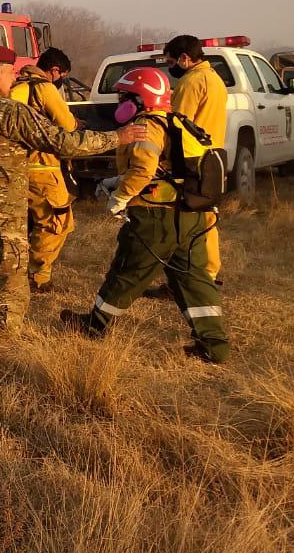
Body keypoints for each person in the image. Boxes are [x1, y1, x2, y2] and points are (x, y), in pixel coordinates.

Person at [0, 45, 144, 334]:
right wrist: (116, 138)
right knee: (8, 281)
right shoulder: (11, 112)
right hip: (1, 213)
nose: (13, 80)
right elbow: (63, 143)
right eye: (10, 74)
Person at [61, 67, 230, 363]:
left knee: (128, 271)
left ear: (139, 99)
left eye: (124, 97)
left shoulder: (145, 125)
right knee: (194, 279)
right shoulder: (176, 121)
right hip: (190, 217)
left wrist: (120, 197)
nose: (120, 103)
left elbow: (143, 169)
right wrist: (116, 181)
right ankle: (214, 345)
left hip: (156, 218)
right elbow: (167, 170)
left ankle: (94, 326)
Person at [9, 47, 77, 293]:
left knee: (25, 224)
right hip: (43, 169)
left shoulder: (15, 86)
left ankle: (15, 270)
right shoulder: (44, 88)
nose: (61, 81)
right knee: (55, 223)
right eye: (63, 76)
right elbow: (67, 125)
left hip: (15, 170)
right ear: (55, 70)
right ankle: (38, 277)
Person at [164, 34, 228, 285]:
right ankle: (207, 273)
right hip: (212, 157)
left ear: (184, 58)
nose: (170, 68)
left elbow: (178, 124)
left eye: (171, 62)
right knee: (207, 217)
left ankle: (193, 278)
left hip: (192, 159)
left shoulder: (191, 82)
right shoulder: (214, 79)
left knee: (190, 221)